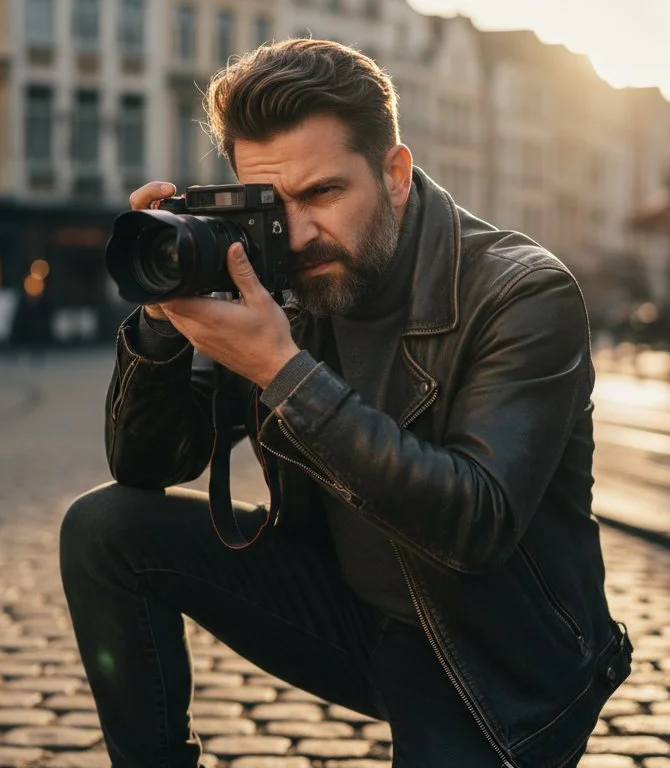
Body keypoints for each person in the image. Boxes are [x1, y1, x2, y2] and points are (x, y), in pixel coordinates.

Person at [59, 38, 631, 768]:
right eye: (272, 203)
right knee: (103, 527)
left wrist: (283, 370)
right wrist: (161, 320)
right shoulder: (281, 278)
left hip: (492, 656)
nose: (296, 234)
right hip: (352, 616)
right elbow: (146, 463)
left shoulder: (522, 292)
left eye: (324, 193)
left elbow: (474, 525)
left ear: (394, 176)